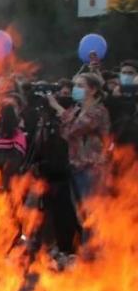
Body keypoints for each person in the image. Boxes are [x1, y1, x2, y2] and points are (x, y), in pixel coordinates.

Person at [49, 73, 110, 208]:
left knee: (92, 210)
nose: (75, 89)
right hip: (76, 165)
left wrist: (57, 107)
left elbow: (74, 129)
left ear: (93, 90)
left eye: (80, 86)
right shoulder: (76, 109)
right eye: (75, 85)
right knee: (80, 210)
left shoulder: (98, 111)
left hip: (92, 167)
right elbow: (64, 133)